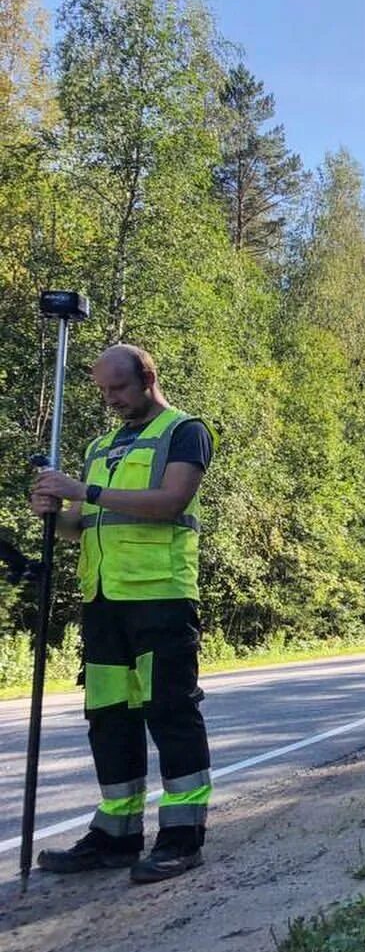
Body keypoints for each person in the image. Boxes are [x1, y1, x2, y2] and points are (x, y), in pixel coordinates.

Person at [29, 344, 216, 883]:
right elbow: (85, 525)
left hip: (160, 596)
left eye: (119, 388)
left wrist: (83, 489)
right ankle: (116, 835)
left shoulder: (184, 431)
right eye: (103, 390)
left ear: (146, 378)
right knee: (109, 719)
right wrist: (55, 512)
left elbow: (170, 502)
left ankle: (182, 837)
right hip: (104, 601)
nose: (111, 399)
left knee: (170, 713)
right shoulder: (101, 446)